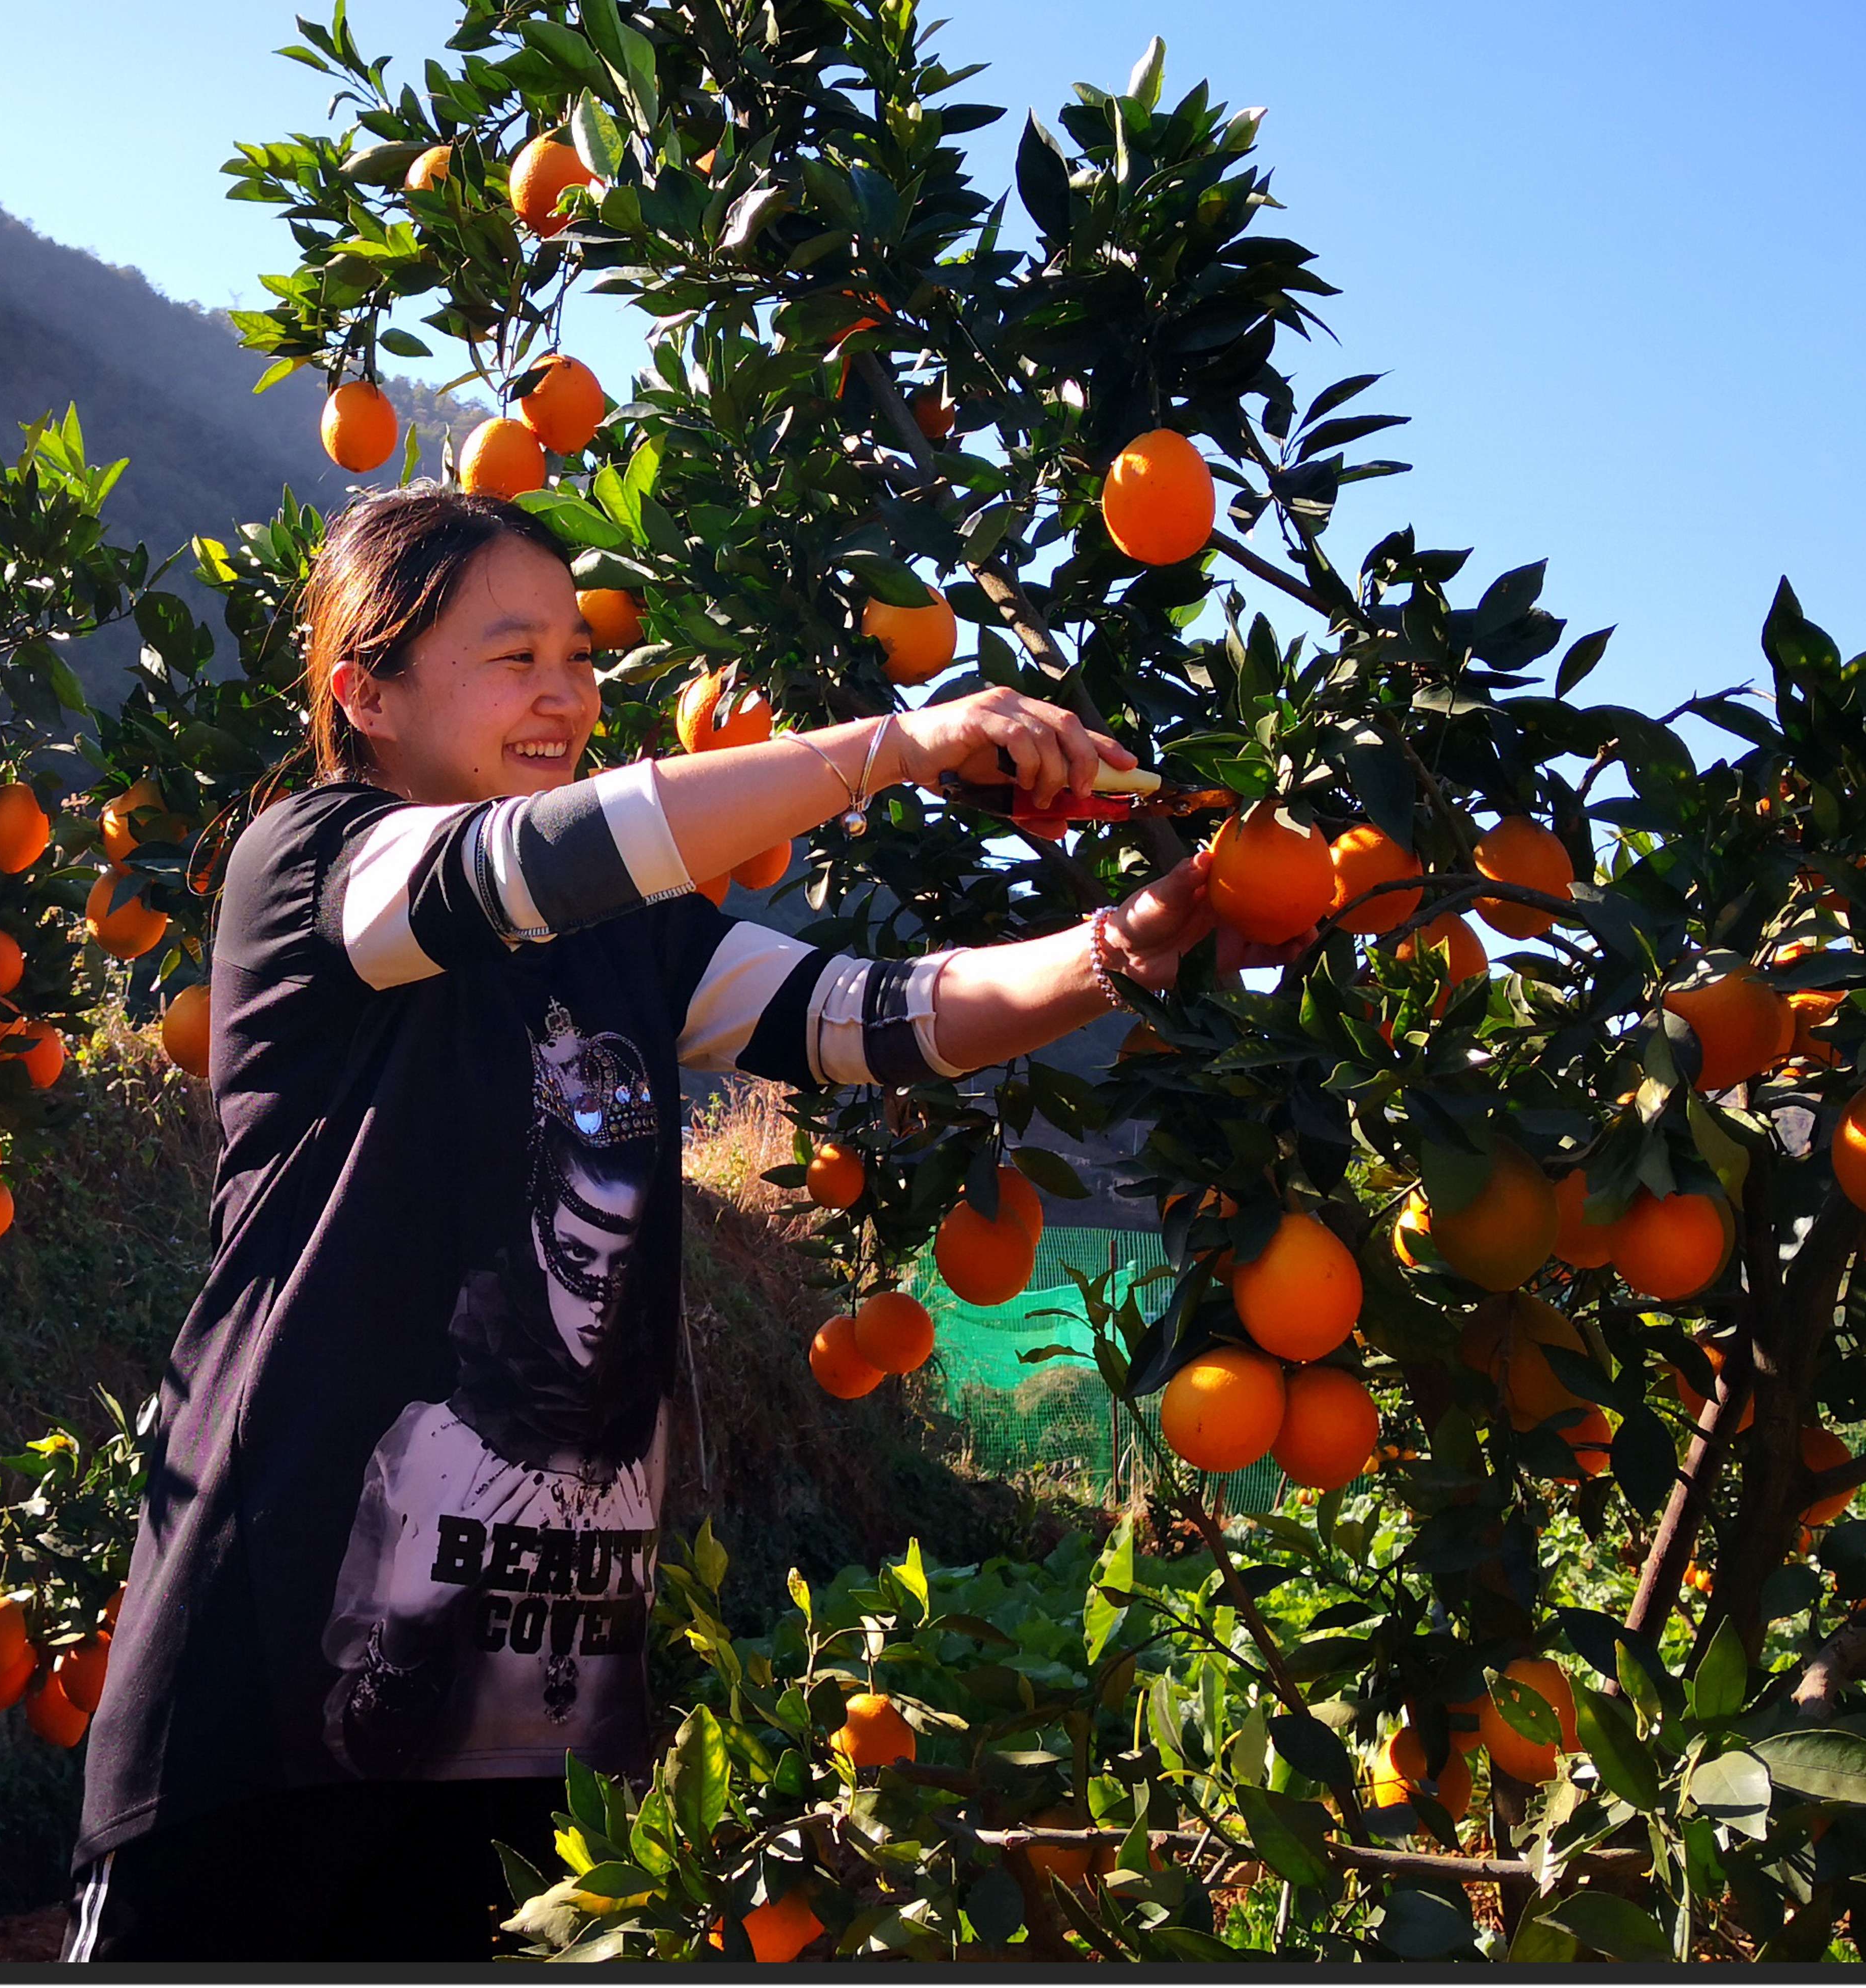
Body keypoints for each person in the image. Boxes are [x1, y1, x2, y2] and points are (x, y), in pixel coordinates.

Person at [63, 483, 1245, 1962]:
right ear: (365, 691)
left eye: (578, 653)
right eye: (515, 657)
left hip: (533, 1735)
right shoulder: (314, 865)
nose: (564, 691)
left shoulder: (629, 936)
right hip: (266, 1701)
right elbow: (530, 863)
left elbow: (877, 1020)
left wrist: (1124, 944)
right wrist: (902, 742)